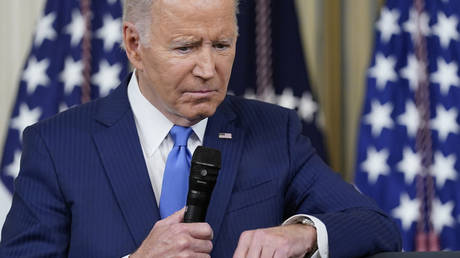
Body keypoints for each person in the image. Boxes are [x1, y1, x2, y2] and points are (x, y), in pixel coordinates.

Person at [0, 0, 401, 257]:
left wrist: (304, 234)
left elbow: (375, 224)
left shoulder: (272, 131)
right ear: (134, 45)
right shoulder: (58, 145)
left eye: (222, 45)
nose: (209, 69)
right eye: (186, 47)